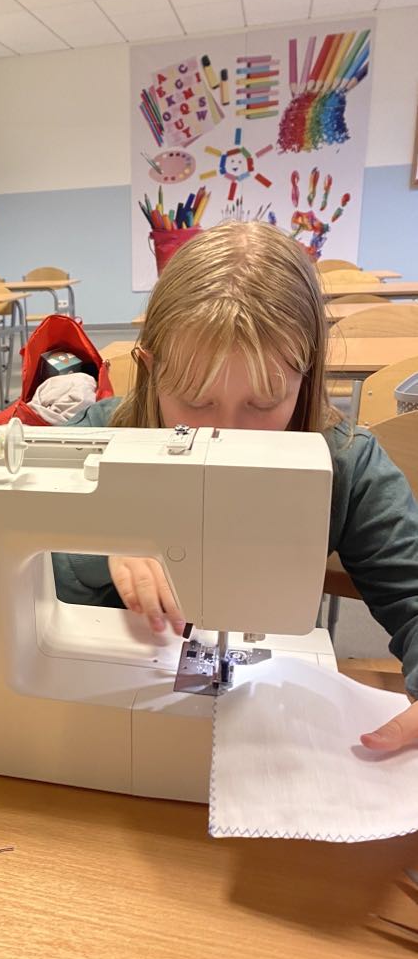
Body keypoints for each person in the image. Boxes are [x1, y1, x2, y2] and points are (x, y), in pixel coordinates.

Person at [53, 222, 418, 752]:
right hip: (98, 708)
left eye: (264, 403)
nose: (225, 434)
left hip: (258, 723)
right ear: (151, 371)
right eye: (195, 401)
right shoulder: (91, 442)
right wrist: (96, 544)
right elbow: (10, 576)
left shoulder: (346, 466)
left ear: (305, 376)